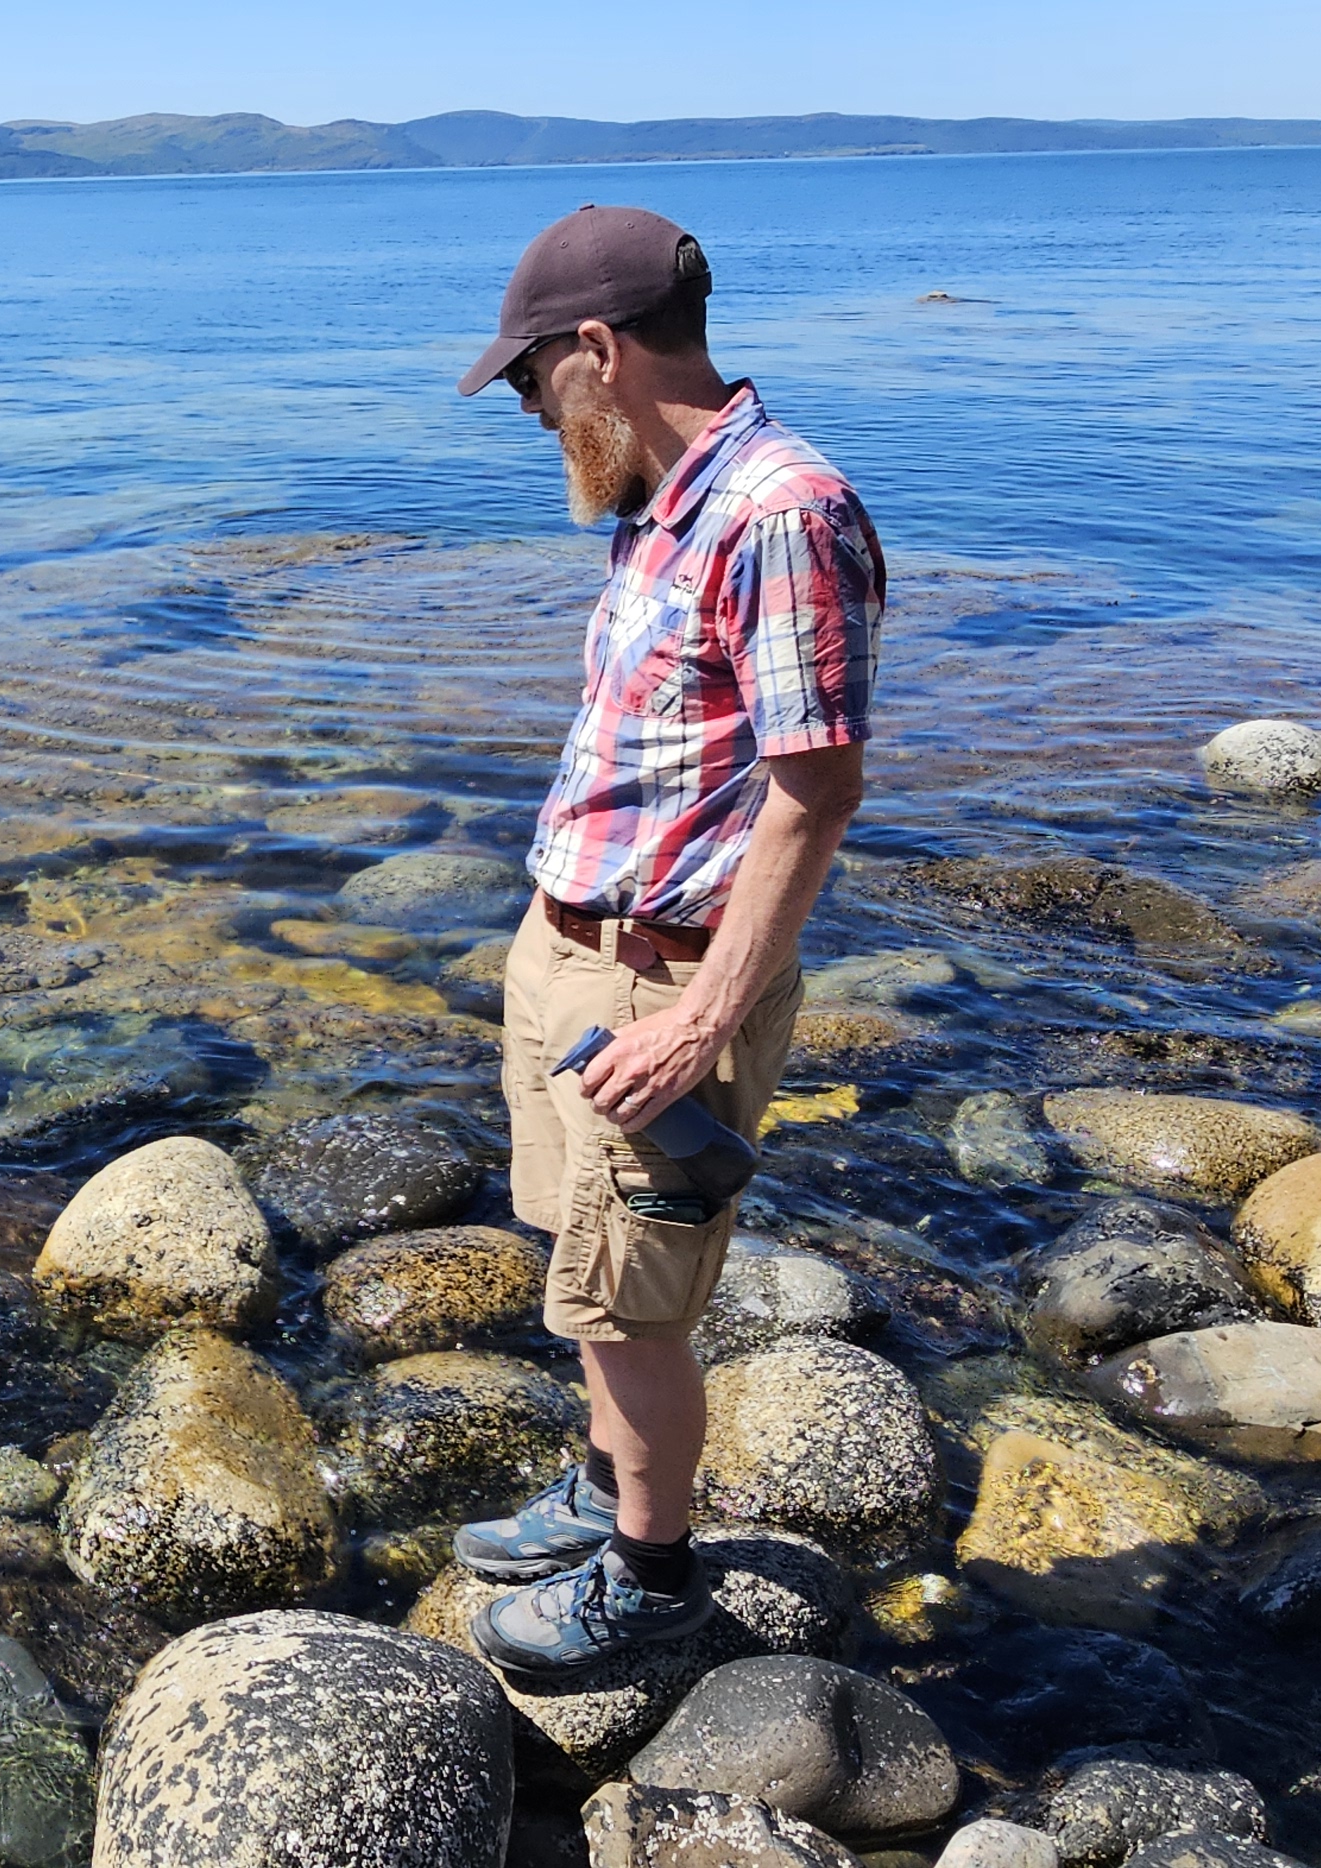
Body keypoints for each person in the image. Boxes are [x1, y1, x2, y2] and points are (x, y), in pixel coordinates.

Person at [445, 204, 883, 1676]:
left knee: (633, 1302)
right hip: (575, 951)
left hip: (662, 983)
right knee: (584, 1267)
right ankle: (600, 1484)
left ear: (597, 350)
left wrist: (698, 1026)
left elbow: (815, 788)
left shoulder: (776, 512)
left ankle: (652, 1575)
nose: (525, 412)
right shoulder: (662, 498)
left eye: (527, 383)